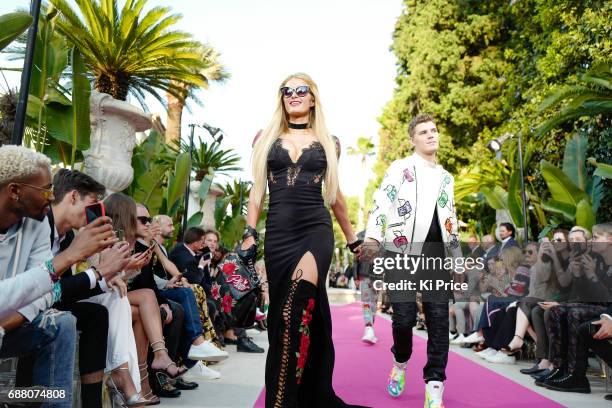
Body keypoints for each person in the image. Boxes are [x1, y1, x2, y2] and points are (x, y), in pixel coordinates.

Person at [242, 73, 365, 407]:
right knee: (284, 320)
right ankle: (290, 395)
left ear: (313, 98)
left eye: (301, 90)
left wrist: (353, 240)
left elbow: (335, 194)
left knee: (298, 307)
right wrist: (250, 233)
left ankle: (284, 400)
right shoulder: (265, 138)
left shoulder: (329, 141)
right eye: (287, 90)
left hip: (315, 231)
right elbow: (257, 191)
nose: (294, 95)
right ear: (281, 98)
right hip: (279, 234)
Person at [0, 146, 118, 408]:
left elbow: (43, 293)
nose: (52, 196)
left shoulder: (36, 224)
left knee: (61, 323)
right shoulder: (53, 231)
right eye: (45, 189)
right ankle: (16, 397)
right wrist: (73, 258)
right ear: (15, 191)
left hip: (8, 326)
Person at [361, 113, 462, 407]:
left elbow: (450, 219)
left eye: (434, 130)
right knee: (403, 320)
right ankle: (401, 361)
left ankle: (434, 385)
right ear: (413, 139)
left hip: (435, 256)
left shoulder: (446, 177)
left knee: (439, 321)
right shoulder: (401, 168)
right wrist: (373, 237)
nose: (432, 135)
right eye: (424, 132)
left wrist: (456, 259)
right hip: (400, 252)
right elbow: (383, 199)